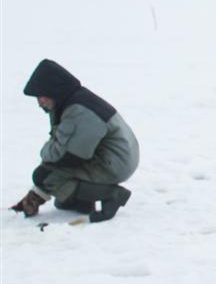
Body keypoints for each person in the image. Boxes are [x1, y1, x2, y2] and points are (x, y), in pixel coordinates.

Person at [9, 59, 139, 223]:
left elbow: (69, 156)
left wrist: (44, 167)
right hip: (114, 156)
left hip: (115, 163)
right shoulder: (68, 102)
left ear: (53, 90)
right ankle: (81, 201)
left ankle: (112, 195)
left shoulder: (78, 111)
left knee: (46, 176)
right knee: (54, 180)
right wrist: (37, 193)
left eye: (41, 95)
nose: (39, 101)